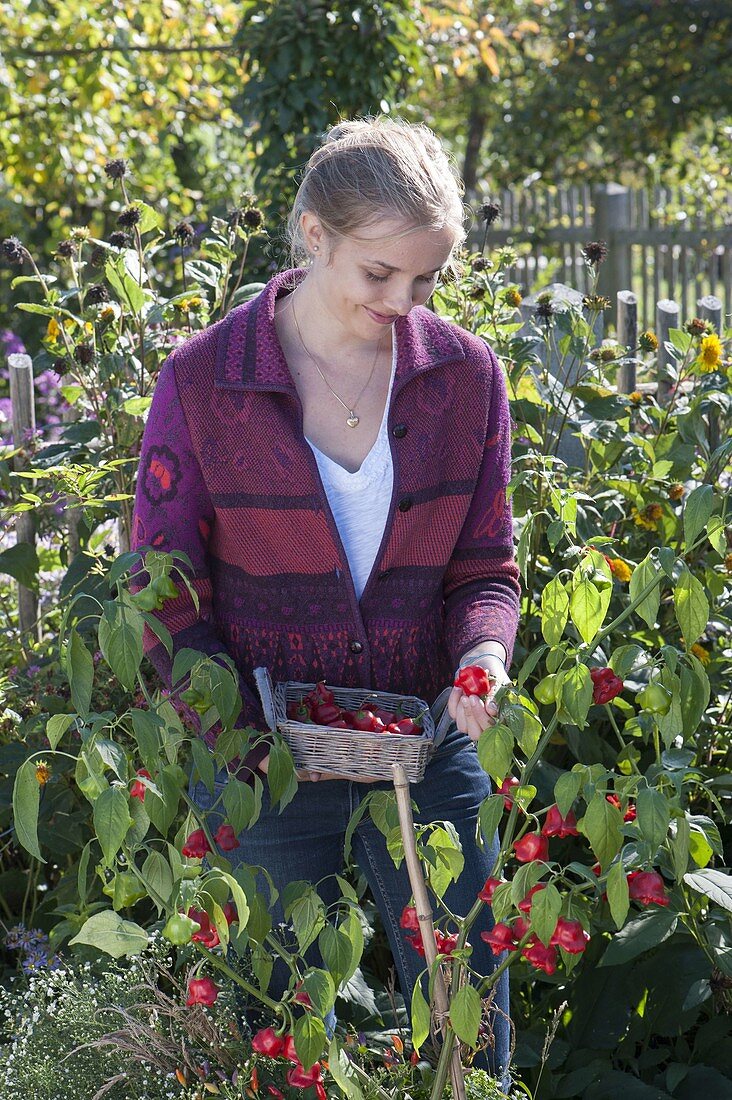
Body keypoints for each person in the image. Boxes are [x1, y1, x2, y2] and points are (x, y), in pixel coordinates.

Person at [131, 117, 520, 1085]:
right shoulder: (205, 381)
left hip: (427, 738)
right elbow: (161, 592)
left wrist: (485, 652)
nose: (407, 300)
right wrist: (236, 736)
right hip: (259, 758)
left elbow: (486, 565)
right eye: (380, 274)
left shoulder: (466, 376)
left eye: (428, 278)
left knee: (470, 1007)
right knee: (279, 1018)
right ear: (313, 235)